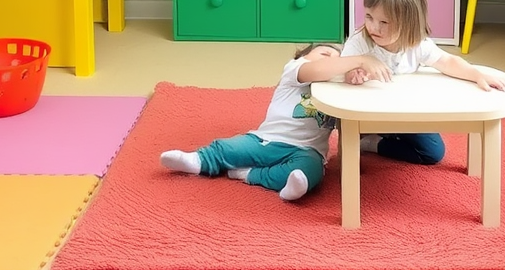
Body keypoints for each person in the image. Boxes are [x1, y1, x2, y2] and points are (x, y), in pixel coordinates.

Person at [159, 42, 391, 201]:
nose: (333, 62)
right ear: (302, 57)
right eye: (325, 54)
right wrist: (358, 59)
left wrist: (356, 76)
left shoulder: (335, 88)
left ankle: (251, 175)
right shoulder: (296, 70)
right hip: (268, 140)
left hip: (307, 152)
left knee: (309, 173)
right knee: (230, 148)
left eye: (339, 60)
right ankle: (197, 160)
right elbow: (319, 69)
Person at [341, 0, 505, 165]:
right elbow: (343, 70)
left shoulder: (416, 44)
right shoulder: (360, 41)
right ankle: (368, 137)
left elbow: (447, 62)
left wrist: (476, 74)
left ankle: (374, 144)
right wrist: (352, 73)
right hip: (369, 115)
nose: (373, 27)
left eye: (384, 22)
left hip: (405, 115)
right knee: (348, 137)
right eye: (369, 16)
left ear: (407, 24)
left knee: (433, 153)